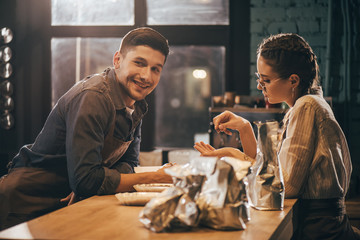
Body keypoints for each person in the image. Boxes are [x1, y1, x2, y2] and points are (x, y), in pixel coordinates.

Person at [0, 27, 173, 230]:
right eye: (139, 63)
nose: (146, 76)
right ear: (117, 60)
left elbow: (129, 162)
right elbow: (86, 181)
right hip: (25, 202)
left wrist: (93, 183)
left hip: (68, 204)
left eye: (155, 69)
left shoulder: (138, 105)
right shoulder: (93, 97)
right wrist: (156, 176)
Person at [194, 33, 360, 239]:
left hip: (320, 231)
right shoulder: (308, 104)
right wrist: (245, 129)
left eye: (266, 80)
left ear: (293, 80)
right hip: (319, 225)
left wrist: (231, 154)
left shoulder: (306, 106)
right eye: (258, 79)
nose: (259, 87)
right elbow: (270, 171)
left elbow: (284, 186)